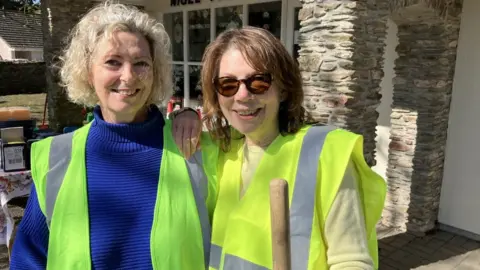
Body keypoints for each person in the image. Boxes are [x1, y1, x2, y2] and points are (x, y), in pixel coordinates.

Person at [10, 2, 210, 269]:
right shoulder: (56, 158)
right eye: (113, 62)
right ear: (89, 71)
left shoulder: (193, 146)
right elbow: (29, 257)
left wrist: (191, 113)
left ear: (155, 72)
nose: (128, 76)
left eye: (141, 63)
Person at [174, 26, 387, 269]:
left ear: (283, 89)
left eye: (259, 81)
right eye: (228, 84)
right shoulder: (223, 151)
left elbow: (352, 261)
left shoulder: (324, 153)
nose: (243, 95)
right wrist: (186, 114)